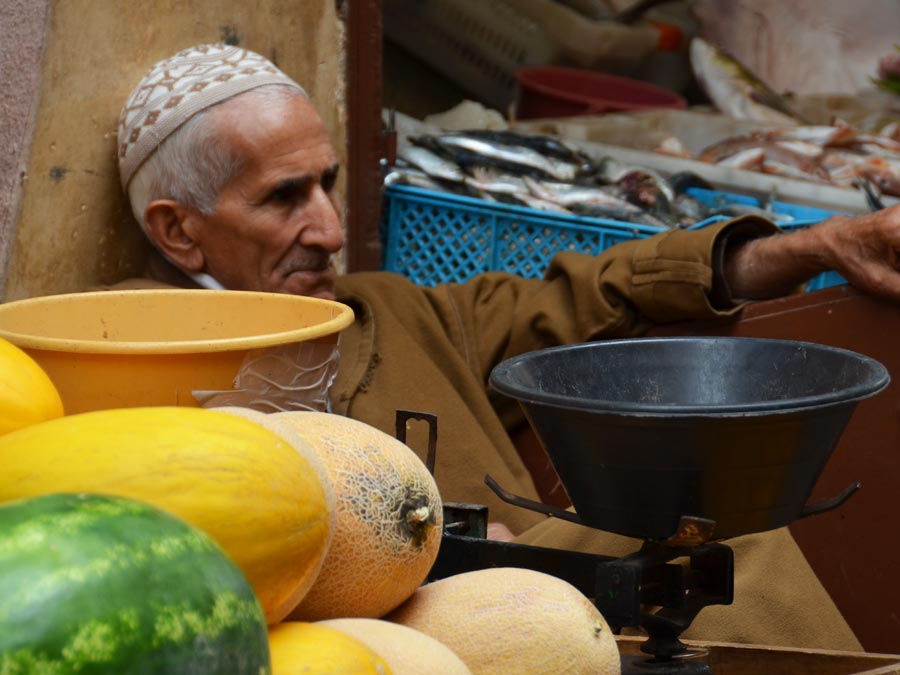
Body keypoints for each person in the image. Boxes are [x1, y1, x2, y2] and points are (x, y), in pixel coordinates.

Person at [112, 44, 900, 650]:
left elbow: (601, 292)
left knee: (720, 532)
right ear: (179, 231)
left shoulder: (386, 308)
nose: (328, 229)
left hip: (529, 606)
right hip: (363, 638)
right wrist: (430, 550)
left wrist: (814, 246)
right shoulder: (123, 359)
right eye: (284, 197)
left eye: (326, 182)